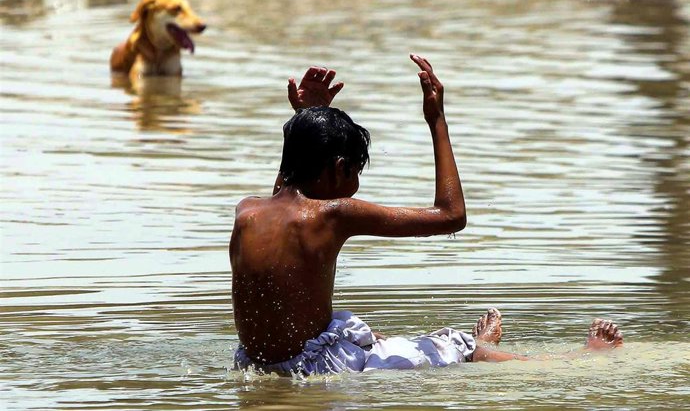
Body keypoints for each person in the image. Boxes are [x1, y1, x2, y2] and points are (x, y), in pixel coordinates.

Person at [229, 55, 623, 376]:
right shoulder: (333, 215)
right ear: (337, 168)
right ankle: (582, 357)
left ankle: (419, 348)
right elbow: (452, 216)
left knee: (370, 336)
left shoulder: (248, 210)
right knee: (458, 345)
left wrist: (306, 120)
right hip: (315, 368)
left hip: (256, 362)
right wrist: (436, 120)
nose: (355, 184)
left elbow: (287, 189)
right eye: (354, 173)